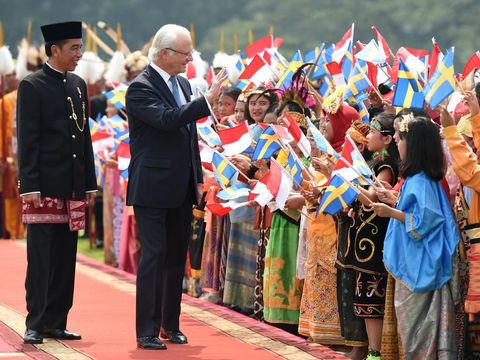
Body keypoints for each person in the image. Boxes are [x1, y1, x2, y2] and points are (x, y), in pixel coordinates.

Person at [125, 24, 226, 350]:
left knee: (174, 258)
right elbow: (169, 119)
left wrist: (196, 177)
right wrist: (205, 101)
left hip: (181, 186)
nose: (189, 58)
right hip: (152, 186)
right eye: (185, 53)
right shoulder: (140, 87)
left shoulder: (181, 82)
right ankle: (147, 330)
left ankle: (171, 323)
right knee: (153, 256)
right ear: (164, 53)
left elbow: (188, 138)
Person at [17, 21, 97, 344]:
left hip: (73, 186)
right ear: (55, 49)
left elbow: (85, 137)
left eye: (80, 47)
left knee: (66, 257)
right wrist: (29, 185)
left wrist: (89, 182)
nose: (80, 54)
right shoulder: (32, 86)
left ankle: (58, 319)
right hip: (44, 187)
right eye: (74, 48)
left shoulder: (78, 84)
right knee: (41, 257)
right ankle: (36, 321)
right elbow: (28, 139)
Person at [372, 115, 459, 359]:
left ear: (414, 145)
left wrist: (390, 212)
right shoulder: (418, 180)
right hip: (415, 261)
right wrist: (394, 202)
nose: (397, 144)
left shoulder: (420, 181)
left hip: (420, 264)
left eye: (400, 139)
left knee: (417, 331)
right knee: (412, 329)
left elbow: (425, 223)